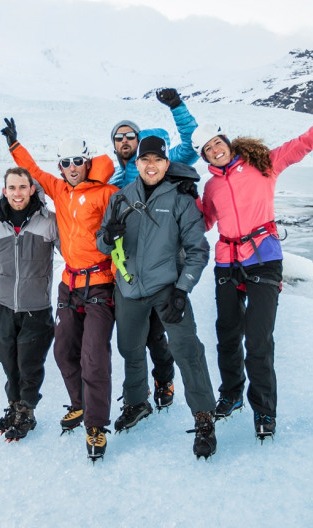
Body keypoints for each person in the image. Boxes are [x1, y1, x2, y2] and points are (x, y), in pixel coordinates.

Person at [192, 84, 313, 442]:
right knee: (227, 335)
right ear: (206, 158)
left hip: (263, 260)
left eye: (217, 143)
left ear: (227, 141)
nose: (215, 150)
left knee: (258, 340)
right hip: (227, 262)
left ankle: (264, 410)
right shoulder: (211, 189)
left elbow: (309, 139)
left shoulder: (265, 163)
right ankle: (231, 395)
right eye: (208, 149)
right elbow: (203, 222)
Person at [1, 117, 118, 460]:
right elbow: (33, 173)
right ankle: (79, 404)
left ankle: (95, 425)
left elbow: (128, 227)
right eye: (65, 163)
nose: (71, 168)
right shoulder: (59, 190)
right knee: (64, 351)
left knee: (94, 357)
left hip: (100, 284)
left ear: (87, 161)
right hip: (69, 285)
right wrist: (14, 146)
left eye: (77, 162)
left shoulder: (107, 193)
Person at [96, 135, 217, 459]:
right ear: (137, 164)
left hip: (167, 289)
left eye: (157, 160)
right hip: (128, 288)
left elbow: (198, 250)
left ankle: (204, 418)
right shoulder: (120, 199)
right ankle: (137, 403)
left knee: (187, 349)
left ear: (166, 163)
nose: (151, 166)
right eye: (145, 160)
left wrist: (182, 290)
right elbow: (101, 243)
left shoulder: (180, 200)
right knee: (130, 349)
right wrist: (107, 237)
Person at [108, 87, 201, 411]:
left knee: (157, 336)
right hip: (126, 272)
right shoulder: (117, 179)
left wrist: (177, 106)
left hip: (162, 266)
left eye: (129, 136)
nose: (125, 142)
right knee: (134, 340)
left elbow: (190, 143)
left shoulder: (161, 161)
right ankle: (138, 396)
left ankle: (164, 379)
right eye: (118, 138)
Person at [0, 166, 58, 442]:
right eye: (12, 188)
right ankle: (15, 406)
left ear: (32, 189)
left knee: (29, 364)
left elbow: (74, 251)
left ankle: (27, 411)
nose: (17, 193)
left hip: (36, 309)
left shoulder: (49, 222)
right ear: (5, 191)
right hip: (5, 306)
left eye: (22, 187)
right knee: (8, 361)